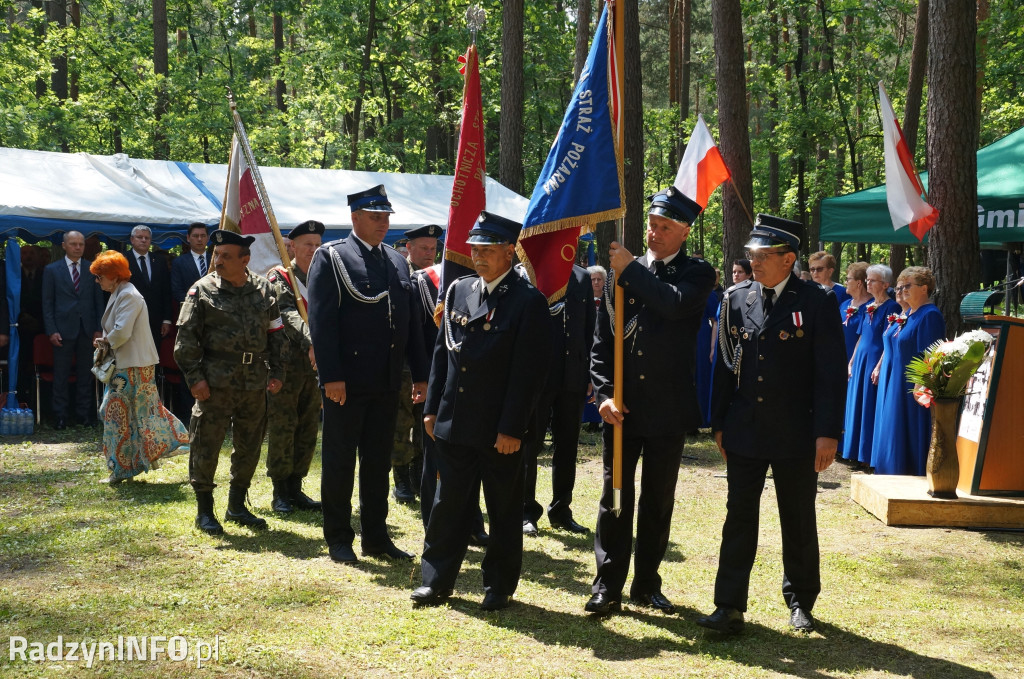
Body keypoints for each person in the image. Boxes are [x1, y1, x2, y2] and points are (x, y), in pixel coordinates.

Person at [698, 214, 846, 634]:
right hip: (745, 428)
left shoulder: (816, 302)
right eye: (752, 255)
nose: (754, 263)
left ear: (788, 259)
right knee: (738, 517)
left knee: (797, 518)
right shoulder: (736, 297)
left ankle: (801, 600)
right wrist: (719, 422)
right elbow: (726, 366)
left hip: (796, 432)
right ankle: (728, 605)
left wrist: (827, 433)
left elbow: (830, 374)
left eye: (762, 256)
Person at [586, 187, 715, 616]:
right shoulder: (625, 271)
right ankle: (607, 584)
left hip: (667, 407)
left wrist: (628, 271)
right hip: (622, 408)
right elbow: (602, 343)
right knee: (615, 497)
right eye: (651, 225)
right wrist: (604, 394)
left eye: (664, 227)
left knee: (658, 500)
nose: (654, 234)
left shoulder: (697, 272)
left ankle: (646, 583)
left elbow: (674, 306)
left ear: (684, 232)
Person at [412, 211, 549, 611]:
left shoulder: (528, 302)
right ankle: (436, 581)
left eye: (488, 250)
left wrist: (512, 428)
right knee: (447, 504)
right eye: (475, 249)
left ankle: (499, 585)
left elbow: (529, 375)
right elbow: (443, 356)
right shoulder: (459, 291)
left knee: (503, 508)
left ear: (510, 252)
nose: (479, 257)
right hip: (454, 422)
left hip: (498, 430)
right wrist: (433, 408)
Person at [306, 184, 428, 564]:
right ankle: (340, 537)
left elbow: (410, 323)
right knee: (341, 461)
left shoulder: (396, 260)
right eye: (375, 217)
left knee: (378, 461)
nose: (382, 223)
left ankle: (377, 537)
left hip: (387, 379)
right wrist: (331, 376)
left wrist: (421, 373)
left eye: (386, 217)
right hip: (347, 381)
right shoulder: (333, 257)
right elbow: (322, 322)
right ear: (355, 218)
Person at [174, 229, 286, 536]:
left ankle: (237, 505)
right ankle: (205, 510)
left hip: (254, 384)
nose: (218, 261)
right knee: (205, 445)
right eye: (216, 254)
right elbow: (185, 341)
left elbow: (276, 333)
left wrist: (277, 372)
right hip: (215, 385)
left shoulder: (264, 290)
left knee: (249, 446)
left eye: (225, 256)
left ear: (245, 259)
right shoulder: (202, 290)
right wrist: (195, 380)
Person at [90, 251, 189, 483]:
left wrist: (105, 342)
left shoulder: (129, 295)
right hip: (130, 365)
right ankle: (133, 463)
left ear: (113, 276)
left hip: (132, 366)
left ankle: (127, 466)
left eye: (100, 276)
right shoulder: (122, 292)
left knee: (120, 416)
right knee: (130, 415)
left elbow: (122, 331)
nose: (98, 281)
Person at [521, 263, 595, 536]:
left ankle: (561, 510)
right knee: (531, 444)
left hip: (572, 375)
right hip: (538, 376)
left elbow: (590, 328)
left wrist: (589, 373)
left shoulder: (581, 276)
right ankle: (526, 510)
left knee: (568, 446)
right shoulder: (529, 270)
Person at [264, 220, 324, 514]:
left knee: (308, 425)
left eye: (316, 245)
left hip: (317, 364)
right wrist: (313, 340)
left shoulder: (324, 275)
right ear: (293, 247)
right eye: (307, 245)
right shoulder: (280, 277)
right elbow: (286, 312)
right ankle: (280, 490)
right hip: (287, 363)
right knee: (284, 426)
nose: (313, 250)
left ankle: (296, 486)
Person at [870, 267, 944, 476]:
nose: (901, 290)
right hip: (895, 382)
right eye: (900, 286)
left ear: (924, 288)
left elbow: (929, 356)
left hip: (912, 386)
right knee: (893, 431)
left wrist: (919, 387)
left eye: (907, 286)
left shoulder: (929, 315)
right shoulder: (909, 314)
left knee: (908, 431)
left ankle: (908, 471)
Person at [392, 224, 444, 505]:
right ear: (408, 248)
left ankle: (418, 475)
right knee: (401, 424)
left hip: (432, 364)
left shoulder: (441, 279)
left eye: (433, 248)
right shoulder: (399, 275)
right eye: (423, 248)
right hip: (403, 365)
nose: (429, 253)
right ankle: (400, 479)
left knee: (426, 422)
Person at [42, 231, 105, 429]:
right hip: (62, 330)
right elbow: (47, 303)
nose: (78, 247)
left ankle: (83, 415)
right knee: (60, 375)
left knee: (86, 375)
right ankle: (60, 416)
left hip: (87, 330)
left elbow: (98, 302)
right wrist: (51, 330)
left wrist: (98, 328)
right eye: (73, 244)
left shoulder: (92, 269)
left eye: (81, 244)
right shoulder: (52, 270)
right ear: (64, 245)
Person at [842, 264, 898, 466]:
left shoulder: (892, 308)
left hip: (874, 359)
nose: (868, 283)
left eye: (872, 280)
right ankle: (854, 451)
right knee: (856, 403)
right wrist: (852, 361)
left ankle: (868, 456)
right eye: (867, 279)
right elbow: (860, 337)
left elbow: (888, 339)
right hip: (861, 360)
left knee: (868, 405)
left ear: (885, 284)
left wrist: (879, 365)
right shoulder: (870, 306)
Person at [126, 225, 173, 343]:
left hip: (155, 320)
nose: (143, 240)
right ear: (132, 240)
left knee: (153, 358)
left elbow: (166, 291)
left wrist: (167, 320)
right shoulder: (122, 259)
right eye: (139, 237)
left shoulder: (159, 260)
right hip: (129, 319)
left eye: (147, 238)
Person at [170, 223, 212, 304]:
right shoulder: (179, 262)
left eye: (203, 236)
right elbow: (177, 290)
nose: (199, 239)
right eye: (195, 236)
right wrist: (195, 303)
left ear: (208, 238)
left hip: (214, 310)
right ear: (188, 238)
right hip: (190, 308)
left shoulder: (215, 260)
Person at [839, 262, 871, 361]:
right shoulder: (844, 304)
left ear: (859, 283)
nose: (845, 283)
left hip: (859, 361)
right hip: (840, 360)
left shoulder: (872, 306)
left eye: (848, 279)